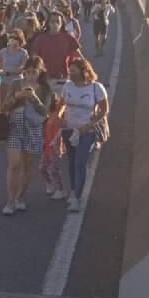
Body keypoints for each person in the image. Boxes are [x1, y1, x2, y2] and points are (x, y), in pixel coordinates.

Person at [58, 58, 110, 212]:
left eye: (73, 71)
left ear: (84, 71)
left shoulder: (96, 88)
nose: (70, 74)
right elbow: (61, 105)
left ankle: (77, 197)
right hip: (69, 129)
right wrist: (59, 119)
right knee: (72, 161)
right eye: (70, 71)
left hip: (87, 131)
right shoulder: (67, 87)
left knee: (80, 162)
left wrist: (90, 124)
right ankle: (74, 190)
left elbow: (103, 110)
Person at [1, 57, 50, 216]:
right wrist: (17, 96)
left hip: (33, 127)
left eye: (34, 72)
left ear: (40, 71)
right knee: (13, 165)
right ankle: (10, 200)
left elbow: (45, 112)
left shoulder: (45, 88)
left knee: (27, 166)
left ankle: (20, 197)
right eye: (27, 72)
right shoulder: (16, 83)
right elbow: (5, 106)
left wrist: (34, 98)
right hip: (16, 125)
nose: (30, 76)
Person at [29, 14, 83, 93]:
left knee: (61, 104)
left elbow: (78, 56)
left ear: (62, 24)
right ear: (48, 23)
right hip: (45, 79)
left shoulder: (68, 38)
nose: (55, 24)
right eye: (52, 21)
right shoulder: (40, 39)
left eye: (58, 21)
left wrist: (86, 71)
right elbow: (34, 59)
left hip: (62, 79)